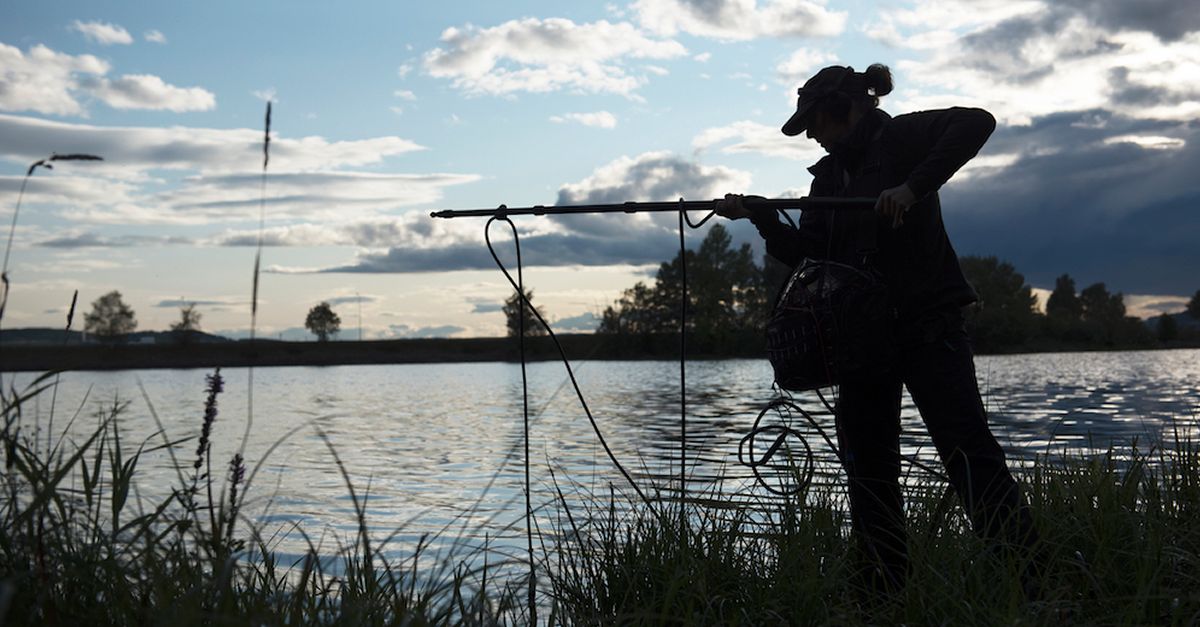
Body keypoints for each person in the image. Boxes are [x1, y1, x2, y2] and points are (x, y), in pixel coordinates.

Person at [716, 64, 1039, 595]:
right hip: (863, 343)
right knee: (868, 470)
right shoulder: (826, 178)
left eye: (814, 122)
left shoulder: (901, 137)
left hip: (930, 326)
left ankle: (1030, 581)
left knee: (968, 455)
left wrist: (911, 188)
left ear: (841, 107)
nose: (811, 134)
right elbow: (810, 254)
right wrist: (762, 217)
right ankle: (879, 592)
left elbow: (977, 121)